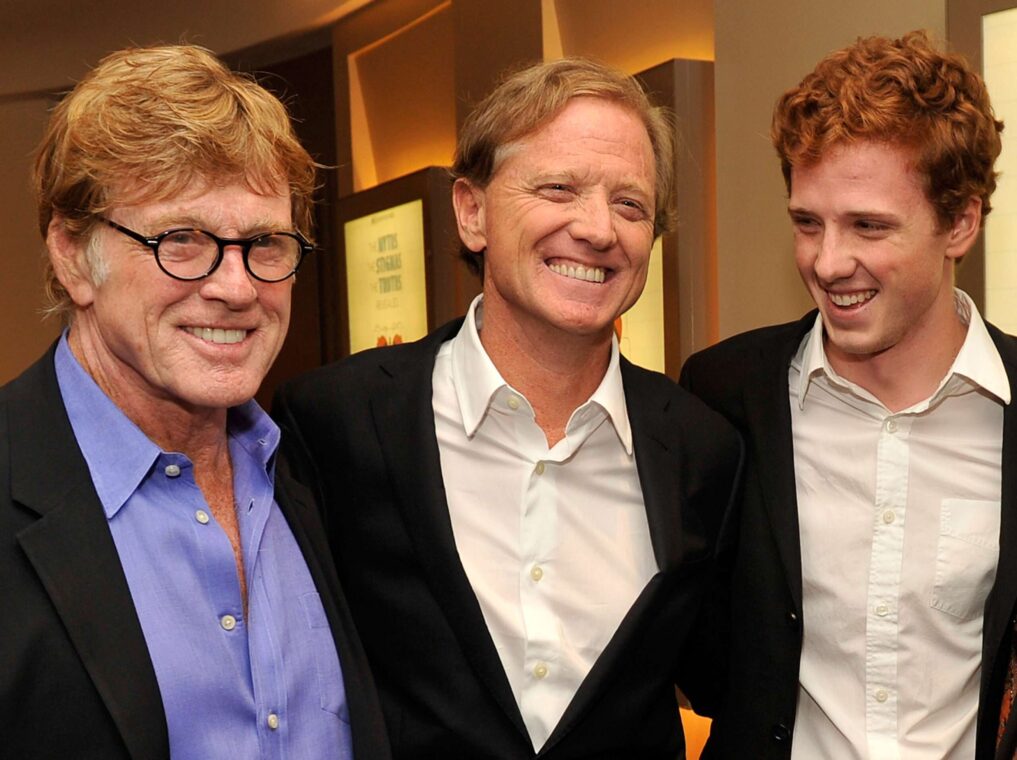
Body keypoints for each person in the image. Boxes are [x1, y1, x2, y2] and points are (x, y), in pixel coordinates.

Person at [274, 58, 742, 758]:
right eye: (558, 189)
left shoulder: (703, 450)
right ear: (471, 211)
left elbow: (723, 678)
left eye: (630, 204)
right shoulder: (336, 421)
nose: (597, 229)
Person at [0, 44, 389, 760]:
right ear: (71, 253)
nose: (237, 287)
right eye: (182, 239)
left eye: (265, 243)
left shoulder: (309, 474)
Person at [680, 31, 1013, 759]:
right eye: (807, 222)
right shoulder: (722, 396)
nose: (828, 263)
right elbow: (699, 655)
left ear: (959, 222)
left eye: (868, 226)